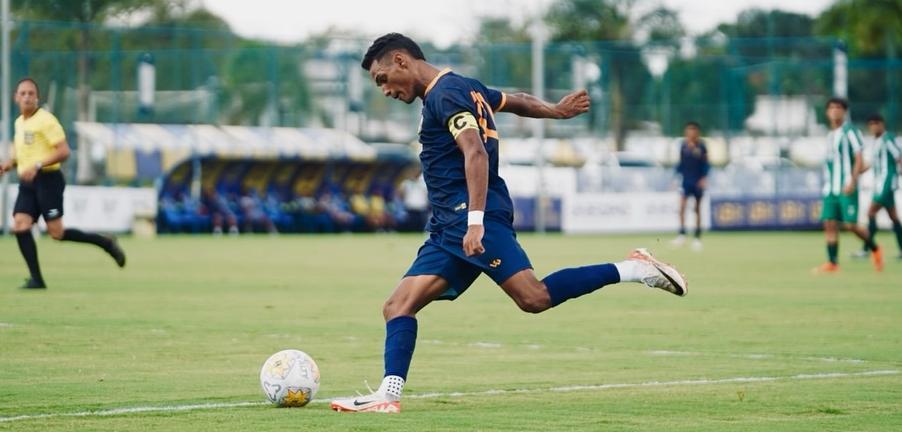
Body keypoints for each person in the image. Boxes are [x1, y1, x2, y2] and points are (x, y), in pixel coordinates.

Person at [330, 33, 688, 414]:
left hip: (468, 219)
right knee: (397, 306)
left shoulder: (444, 94)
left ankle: (634, 268)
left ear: (401, 60)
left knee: (534, 298)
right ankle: (388, 394)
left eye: (382, 78)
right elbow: (514, 99)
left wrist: (475, 222)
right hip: (448, 227)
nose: (384, 90)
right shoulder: (464, 87)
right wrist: (556, 111)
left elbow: (475, 152)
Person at [0, 78, 125, 289]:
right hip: (27, 182)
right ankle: (37, 279)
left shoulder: (46, 120)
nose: (27, 97)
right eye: (23, 93)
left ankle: (106, 243)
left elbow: (63, 151)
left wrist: (37, 165)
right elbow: (23, 155)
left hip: (48, 180)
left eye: (31, 93)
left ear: (37, 98)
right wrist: (8, 165)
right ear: (16, 98)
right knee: (20, 225)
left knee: (56, 233)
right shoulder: (19, 123)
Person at [813, 97, 882, 273]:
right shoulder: (830, 135)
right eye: (831, 108)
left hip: (846, 186)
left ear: (844, 111)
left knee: (851, 225)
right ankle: (832, 262)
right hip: (831, 188)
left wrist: (852, 180)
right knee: (829, 223)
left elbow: (859, 157)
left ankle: (875, 248)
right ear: (827, 112)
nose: (834, 111)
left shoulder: (850, 131)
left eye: (838, 107)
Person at [852, 114, 902, 259]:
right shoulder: (876, 142)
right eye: (871, 124)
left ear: (882, 124)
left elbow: (899, 157)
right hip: (880, 184)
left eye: (876, 123)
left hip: (887, 184)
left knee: (870, 213)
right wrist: (857, 172)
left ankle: (867, 249)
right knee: (894, 218)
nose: (874, 126)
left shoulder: (888, 139)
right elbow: (872, 163)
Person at [672, 121, 709, 251]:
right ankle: (682, 234)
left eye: (693, 130)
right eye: (688, 130)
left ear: (697, 132)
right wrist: (675, 177)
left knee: (697, 209)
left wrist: (704, 178)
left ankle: (697, 237)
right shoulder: (683, 146)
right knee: (682, 207)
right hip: (686, 181)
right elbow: (680, 164)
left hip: (697, 181)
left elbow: (706, 165)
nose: (690, 133)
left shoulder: (701, 147)